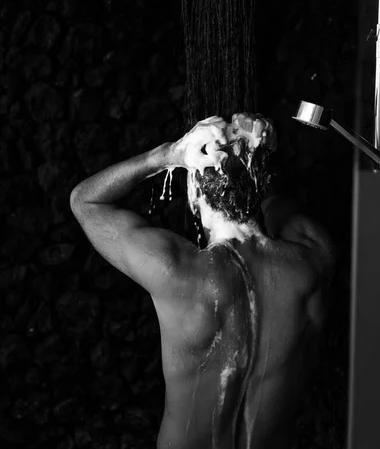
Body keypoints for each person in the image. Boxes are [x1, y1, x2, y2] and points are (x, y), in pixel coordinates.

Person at [70, 113, 334, 449]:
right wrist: (259, 154)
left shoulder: (175, 272)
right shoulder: (312, 258)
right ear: (261, 180)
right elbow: (277, 207)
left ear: (194, 195)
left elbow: (84, 201)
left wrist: (168, 156)